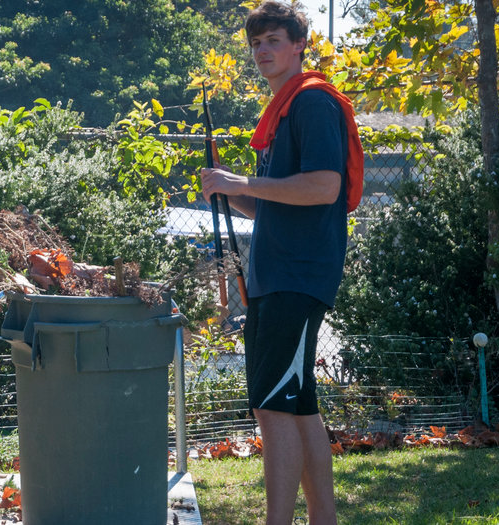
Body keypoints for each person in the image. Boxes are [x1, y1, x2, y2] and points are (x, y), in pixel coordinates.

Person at [201, 2, 363, 524]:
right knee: (297, 407)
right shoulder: (282, 111)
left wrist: (242, 183)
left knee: (271, 408)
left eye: (273, 40)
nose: (263, 50)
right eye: (256, 44)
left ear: (298, 46)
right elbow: (276, 200)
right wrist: (229, 194)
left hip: (296, 276)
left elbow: (324, 186)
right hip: (276, 277)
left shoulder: (313, 103)